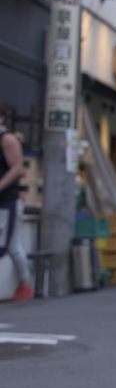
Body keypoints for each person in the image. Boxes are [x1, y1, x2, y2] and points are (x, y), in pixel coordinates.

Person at [0, 109, 33, 301]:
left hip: (7, 200)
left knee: (10, 244)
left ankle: (25, 283)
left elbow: (16, 167)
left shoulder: (7, 139)